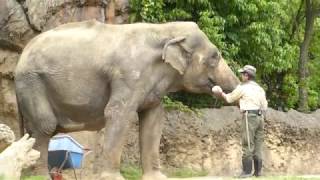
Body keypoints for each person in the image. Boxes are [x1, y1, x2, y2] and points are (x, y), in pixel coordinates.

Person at [212, 65, 267, 178]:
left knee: (247, 144)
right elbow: (265, 106)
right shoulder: (259, 89)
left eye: (242, 74)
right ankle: (258, 172)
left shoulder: (243, 87)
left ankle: (246, 172)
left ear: (247, 75)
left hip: (249, 117)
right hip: (260, 118)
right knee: (258, 145)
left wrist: (220, 93)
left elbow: (229, 98)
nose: (241, 76)